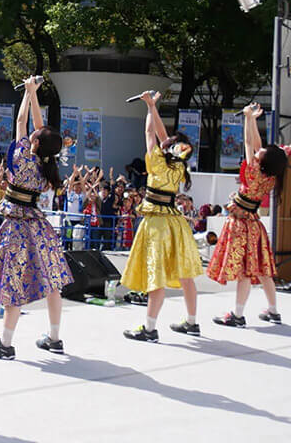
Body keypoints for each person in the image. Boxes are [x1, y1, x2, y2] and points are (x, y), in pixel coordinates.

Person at [0, 76, 71, 359]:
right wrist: (32, 92)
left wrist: (29, 95)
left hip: (16, 225)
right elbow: (41, 131)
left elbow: (21, 123)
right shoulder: (48, 164)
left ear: (35, 143)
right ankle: (54, 337)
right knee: (53, 281)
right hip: (39, 227)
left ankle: (5, 343)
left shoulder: (21, 157)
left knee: (12, 282)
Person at [122, 91, 203, 343]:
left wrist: (150, 107)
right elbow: (164, 139)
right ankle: (191, 322)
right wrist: (152, 107)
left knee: (155, 273)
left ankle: (149, 328)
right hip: (175, 221)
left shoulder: (157, 162)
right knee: (185, 274)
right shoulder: (179, 167)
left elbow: (151, 134)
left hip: (157, 221)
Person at [208, 103, 286, 327]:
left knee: (244, 271)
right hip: (255, 225)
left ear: (264, 160)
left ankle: (238, 314)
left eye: (264, 153)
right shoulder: (270, 178)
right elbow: (257, 144)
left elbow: (250, 143)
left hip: (241, 225)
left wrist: (247, 118)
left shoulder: (253, 171)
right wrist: (251, 119)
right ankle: (273, 311)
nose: (261, 150)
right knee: (264, 271)